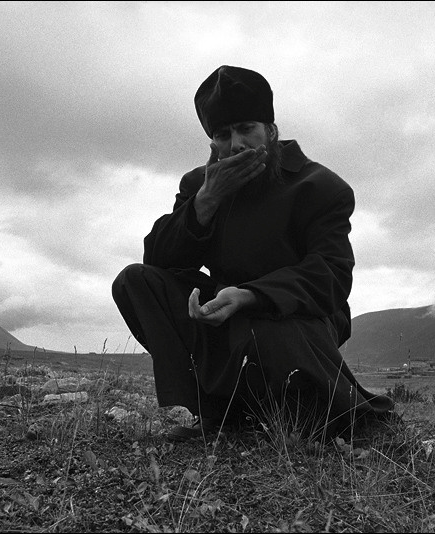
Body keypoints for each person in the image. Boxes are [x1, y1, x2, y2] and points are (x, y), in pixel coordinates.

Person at [112, 65, 393, 441]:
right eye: (223, 134)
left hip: (297, 315)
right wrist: (206, 201)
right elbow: (159, 261)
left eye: (247, 129)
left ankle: (312, 414)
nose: (237, 145)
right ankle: (217, 415)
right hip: (224, 313)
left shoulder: (320, 187)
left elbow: (331, 275)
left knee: (271, 333)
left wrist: (250, 296)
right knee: (134, 282)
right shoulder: (200, 185)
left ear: (272, 132)